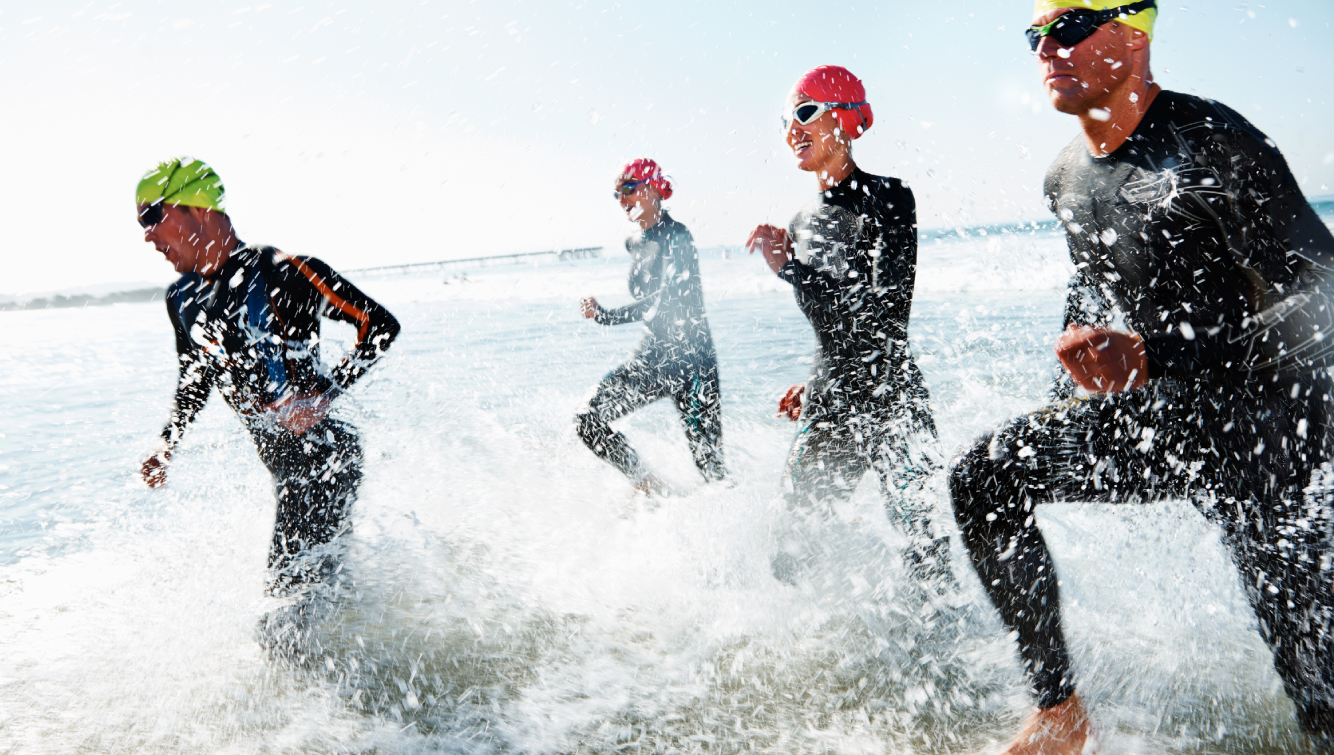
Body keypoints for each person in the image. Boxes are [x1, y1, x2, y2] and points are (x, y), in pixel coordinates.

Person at [948, 2, 1334, 752]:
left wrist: (1157, 353)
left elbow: (1320, 299)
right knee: (986, 477)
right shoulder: (1063, 177)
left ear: (1133, 33)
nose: (1046, 49)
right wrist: (1074, 381)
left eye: (1068, 27)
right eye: (1036, 36)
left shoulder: (1214, 141)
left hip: (1275, 435)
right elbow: (1091, 296)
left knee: (1318, 688)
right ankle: (1060, 710)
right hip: (1175, 421)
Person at [136, 158, 400, 596]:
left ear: (197, 209)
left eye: (152, 216)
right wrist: (168, 444)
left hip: (324, 460)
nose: (147, 234)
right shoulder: (182, 299)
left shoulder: (286, 272)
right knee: (313, 601)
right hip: (284, 466)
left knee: (285, 619)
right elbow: (195, 375)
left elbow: (379, 325)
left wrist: (323, 396)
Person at [745, 65, 950, 586]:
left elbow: (884, 321)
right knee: (789, 555)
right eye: (786, 119)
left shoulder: (890, 199)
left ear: (844, 119)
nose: (793, 129)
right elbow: (832, 325)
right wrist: (814, 381)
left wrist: (791, 268)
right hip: (831, 402)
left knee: (927, 559)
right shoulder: (798, 223)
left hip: (892, 400)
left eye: (806, 112)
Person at [576, 159, 726, 493]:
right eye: (617, 194)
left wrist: (606, 315)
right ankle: (648, 484)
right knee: (588, 419)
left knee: (712, 470)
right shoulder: (635, 242)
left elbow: (665, 301)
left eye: (629, 188)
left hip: (692, 365)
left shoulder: (679, 237)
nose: (622, 199)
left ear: (654, 188)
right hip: (652, 359)